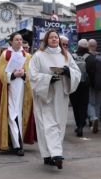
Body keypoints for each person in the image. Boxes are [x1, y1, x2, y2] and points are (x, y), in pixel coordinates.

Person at [28, 29, 81, 169]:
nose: (54, 39)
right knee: (46, 125)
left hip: (61, 95)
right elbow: (32, 76)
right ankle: (52, 154)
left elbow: (77, 72)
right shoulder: (38, 56)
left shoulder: (66, 55)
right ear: (46, 40)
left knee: (59, 124)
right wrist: (48, 79)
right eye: (51, 37)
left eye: (56, 37)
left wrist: (68, 72)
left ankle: (53, 154)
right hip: (45, 96)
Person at [0, 32, 35, 154]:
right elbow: (1, 72)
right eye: (16, 39)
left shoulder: (27, 56)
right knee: (12, 114)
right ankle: (18, 144)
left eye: (20, 40)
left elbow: (31, 72)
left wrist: (24, 74)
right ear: (11, 42)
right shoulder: (5, 54)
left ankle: (17, 142)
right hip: (9, 88)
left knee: (19, 114)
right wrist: (12, 75)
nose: (19, 42)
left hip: (23, 87)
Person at [86, 38, 101, 133]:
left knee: (91, 103)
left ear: (88, 46)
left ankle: (93, 118)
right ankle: (96, 122)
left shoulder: (86, 57)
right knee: (98, 104)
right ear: (96, 46)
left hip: (91, 84)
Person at [69, 39, 90, 138]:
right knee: (83, 106)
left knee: (75, 107)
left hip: (74, 85)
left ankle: (78, 125)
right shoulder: (90, 57)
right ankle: (82, 124)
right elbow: (93, 72)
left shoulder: (71, 57)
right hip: (85, 86)